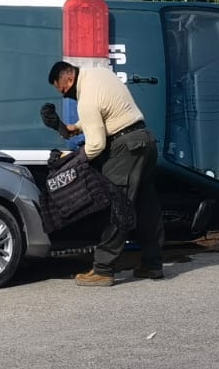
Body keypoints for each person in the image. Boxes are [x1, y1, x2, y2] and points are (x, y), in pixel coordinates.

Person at [48, 60, 164, 286]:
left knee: (117, 207)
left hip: (124, 148)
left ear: (69, 79)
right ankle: (153, 264)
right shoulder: (100, 74)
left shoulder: (86, 99)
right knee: (145, 205)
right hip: (144, 140)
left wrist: (72, 161)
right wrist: (76, 127)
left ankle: (103, 269)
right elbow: (107, 106)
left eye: (64, 91)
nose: (65, 95)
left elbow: (96, 145)